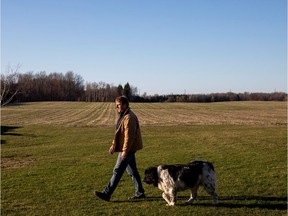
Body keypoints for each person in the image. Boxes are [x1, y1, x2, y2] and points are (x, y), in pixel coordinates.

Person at [95, 96, 145, 201]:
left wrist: (125, 151)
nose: (118, 107)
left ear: (125, 105)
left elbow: (129, 137)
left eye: (119, 105)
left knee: (117, 171)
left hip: (128, 149)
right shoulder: (124, 115)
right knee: (133, 171)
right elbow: (119, 133)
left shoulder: (129, 117)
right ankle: (140, 192)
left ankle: (106, 194)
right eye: (117, 105)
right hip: (127, 148)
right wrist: (113, 145)